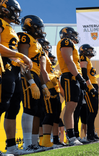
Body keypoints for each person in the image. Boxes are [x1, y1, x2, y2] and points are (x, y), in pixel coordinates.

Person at [0, 0, 35, 155]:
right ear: (5, 10)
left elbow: (10, 49)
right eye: (15, 11)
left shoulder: (10, 28)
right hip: (2, 67)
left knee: (13, 108)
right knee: (1, 105)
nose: (17, 15)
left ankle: (11, 146)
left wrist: (20, 61)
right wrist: (21, 55)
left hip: (14, 71)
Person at [18, 15, 54, 150]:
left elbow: (41, 68)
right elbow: (23, 61)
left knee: (38, 111)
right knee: (29, 108)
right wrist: (31, 82)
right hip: (28, 75)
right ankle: (27, 144)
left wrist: (43, 85)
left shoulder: (38, 43)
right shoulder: (24, 37)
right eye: (38, 27)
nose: (40, 30)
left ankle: (34, 143)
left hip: (37, 77)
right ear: (30, 26)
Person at [56, 26, 85, 145]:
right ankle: (71, 136)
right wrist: (79, 77)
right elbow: (68, 61)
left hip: (72, 76)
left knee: (73, 108)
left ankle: (73, 136)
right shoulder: (66, 42)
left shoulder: (69, 43)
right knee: (70, 107)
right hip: (69, 76)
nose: (75, 36)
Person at [38, 37, 65, 147]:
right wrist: (47, 85)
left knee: (55, 117)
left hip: (55, 91)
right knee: (45, 115)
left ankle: (55, 139)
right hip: (47, 88)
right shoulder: (41, 55)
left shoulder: (54, 70)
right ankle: (42, 140)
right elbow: (42, 72)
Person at [78, 44, 99, 142]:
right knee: (91, 111)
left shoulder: (88, 59)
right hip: (89, 87)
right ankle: (89, 135)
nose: (91, 52)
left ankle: (92, 133)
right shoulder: (83, 57)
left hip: (93, 85)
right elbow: (84, 74)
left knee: (94, 111)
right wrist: (90, 87)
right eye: (89, 50)